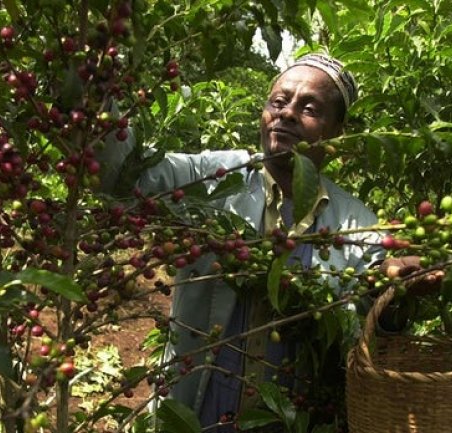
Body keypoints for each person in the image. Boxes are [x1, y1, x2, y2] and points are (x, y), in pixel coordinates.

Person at [102, 53, 432, 431]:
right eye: (278, 102)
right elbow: (122, 177)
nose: (287, 113)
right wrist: (95, 90)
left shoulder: (358, 226)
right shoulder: (212, 180)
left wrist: (396, 294)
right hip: (194, 416)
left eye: (309, 108)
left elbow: (370, 331)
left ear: (339, 131)